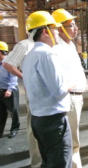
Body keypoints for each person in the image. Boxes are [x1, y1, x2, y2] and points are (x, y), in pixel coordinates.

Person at [21, 11, 74, 168]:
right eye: (55, 29)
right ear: (45, 31)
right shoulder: (46, 54)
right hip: (53, 121)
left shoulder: (30, 55)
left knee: (48, 162)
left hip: (39, 119)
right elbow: (59, 91)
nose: (57, 32)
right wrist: (71, 84)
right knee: (60, 163)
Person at [2, 21, 40, 167]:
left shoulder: (44, 46)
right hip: (33, 93)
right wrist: (24, 76)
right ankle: (36, 161)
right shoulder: (25, 45)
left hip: (46, 94)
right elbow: (8, 64)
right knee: (34, 126)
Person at [52, 8, 87, 168]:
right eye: (71, 25)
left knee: (75, 138)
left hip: (77, 97)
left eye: (75, 25)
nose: (76, 28)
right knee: (71, 140)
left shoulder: (70, 45)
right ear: (60, 29)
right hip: (69, 98)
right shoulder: (56, 48)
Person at [0, 41, 19, 139]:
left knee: (13, 111)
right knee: (1, 113)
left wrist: (9, 90)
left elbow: (14, 77)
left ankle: (14, 129)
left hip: (9, 91)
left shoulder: (9, 62)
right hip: (0, 90)